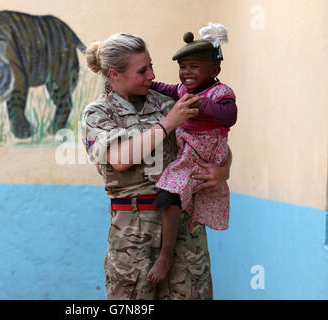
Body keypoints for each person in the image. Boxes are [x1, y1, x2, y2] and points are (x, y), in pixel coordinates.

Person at [81, 32, 231, 299]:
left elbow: (213, 140)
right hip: (133, 236)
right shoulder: (99, 113)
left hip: (186, 232)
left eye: (151, 66)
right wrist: (168, 124)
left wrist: (223, 169)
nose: (152, 75)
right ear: (115, 74)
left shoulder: (170, 102)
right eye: (142, 70)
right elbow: (121, 159)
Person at [147, 23, 237, 283]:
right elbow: (164, 88)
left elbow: (229, 116)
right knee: (169, 197)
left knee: (170, 193)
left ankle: (165, 256)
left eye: (194, 66)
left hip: (204, 152)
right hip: (187, 152)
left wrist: (204, 103)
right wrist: (148, 82)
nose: (186, 72)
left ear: (215, 70)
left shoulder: (220, 92)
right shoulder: (183, 90)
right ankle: (166, 251)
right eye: (183, 67)